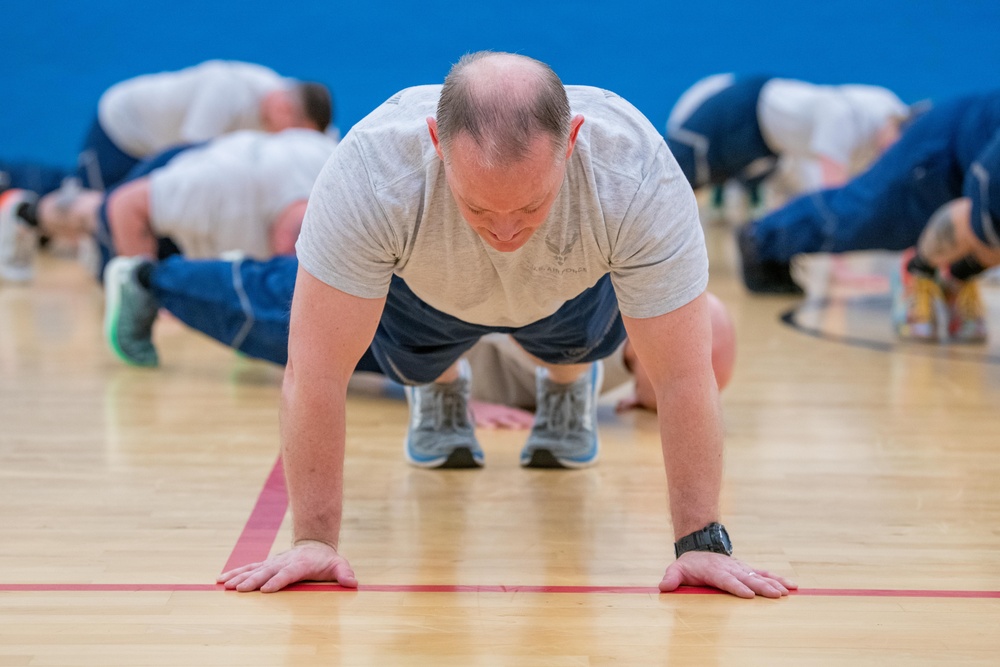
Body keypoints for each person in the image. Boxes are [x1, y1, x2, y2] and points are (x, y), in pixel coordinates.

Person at [171, 51, 792, 597]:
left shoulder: (635, 174)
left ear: (573, 140)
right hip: (421, 298)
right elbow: (315, 372)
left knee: (599, 335)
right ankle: (438, 388)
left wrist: (701, 543)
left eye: (529, 205)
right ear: (435, 143)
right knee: (371, 342)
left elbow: (684, 375)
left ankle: (568, 384)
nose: (503, 231)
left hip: (570, 298)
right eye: (477, 205)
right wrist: (314, 540)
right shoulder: (371, 171)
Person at [101, 254, 737, 420]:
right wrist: (467, 403)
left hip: (397, 347)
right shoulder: (609, 314)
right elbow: (481, 332)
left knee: (260, 311)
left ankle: (169, 279)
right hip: (392, 315)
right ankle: (147, 278)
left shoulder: (626, 346)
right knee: (262, 310)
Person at [0, 60, 333, 268]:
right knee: (105, 210)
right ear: (286, 111)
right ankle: (22, 211)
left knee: (112, 213)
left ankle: (38, 215)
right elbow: (187, 156)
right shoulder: (226, 91)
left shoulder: (291, 111)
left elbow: (325, 140)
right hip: (123, 133)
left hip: (170, 150)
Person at [737, 89, 1000, 343]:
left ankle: (952, 274)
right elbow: (979, 203)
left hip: (972, 145)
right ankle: (760, 239)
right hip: (943, 143)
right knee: (860, 215)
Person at [0, 128, 338, 284]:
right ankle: (25, 212)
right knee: (100, 213)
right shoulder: (213, 189)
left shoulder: (341, 187)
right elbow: (125, 205)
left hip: (233, 189)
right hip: (176, 173)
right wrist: (142, 292)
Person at [666, 74, 910, 219]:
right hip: (741, 112)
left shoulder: (882, 115)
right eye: (895, 145)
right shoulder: (841, 119)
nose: (891, 155)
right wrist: (841, 270)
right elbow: (835, 204)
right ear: (891, 125)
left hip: (767, 145)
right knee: (674, 178)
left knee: (726, 188)